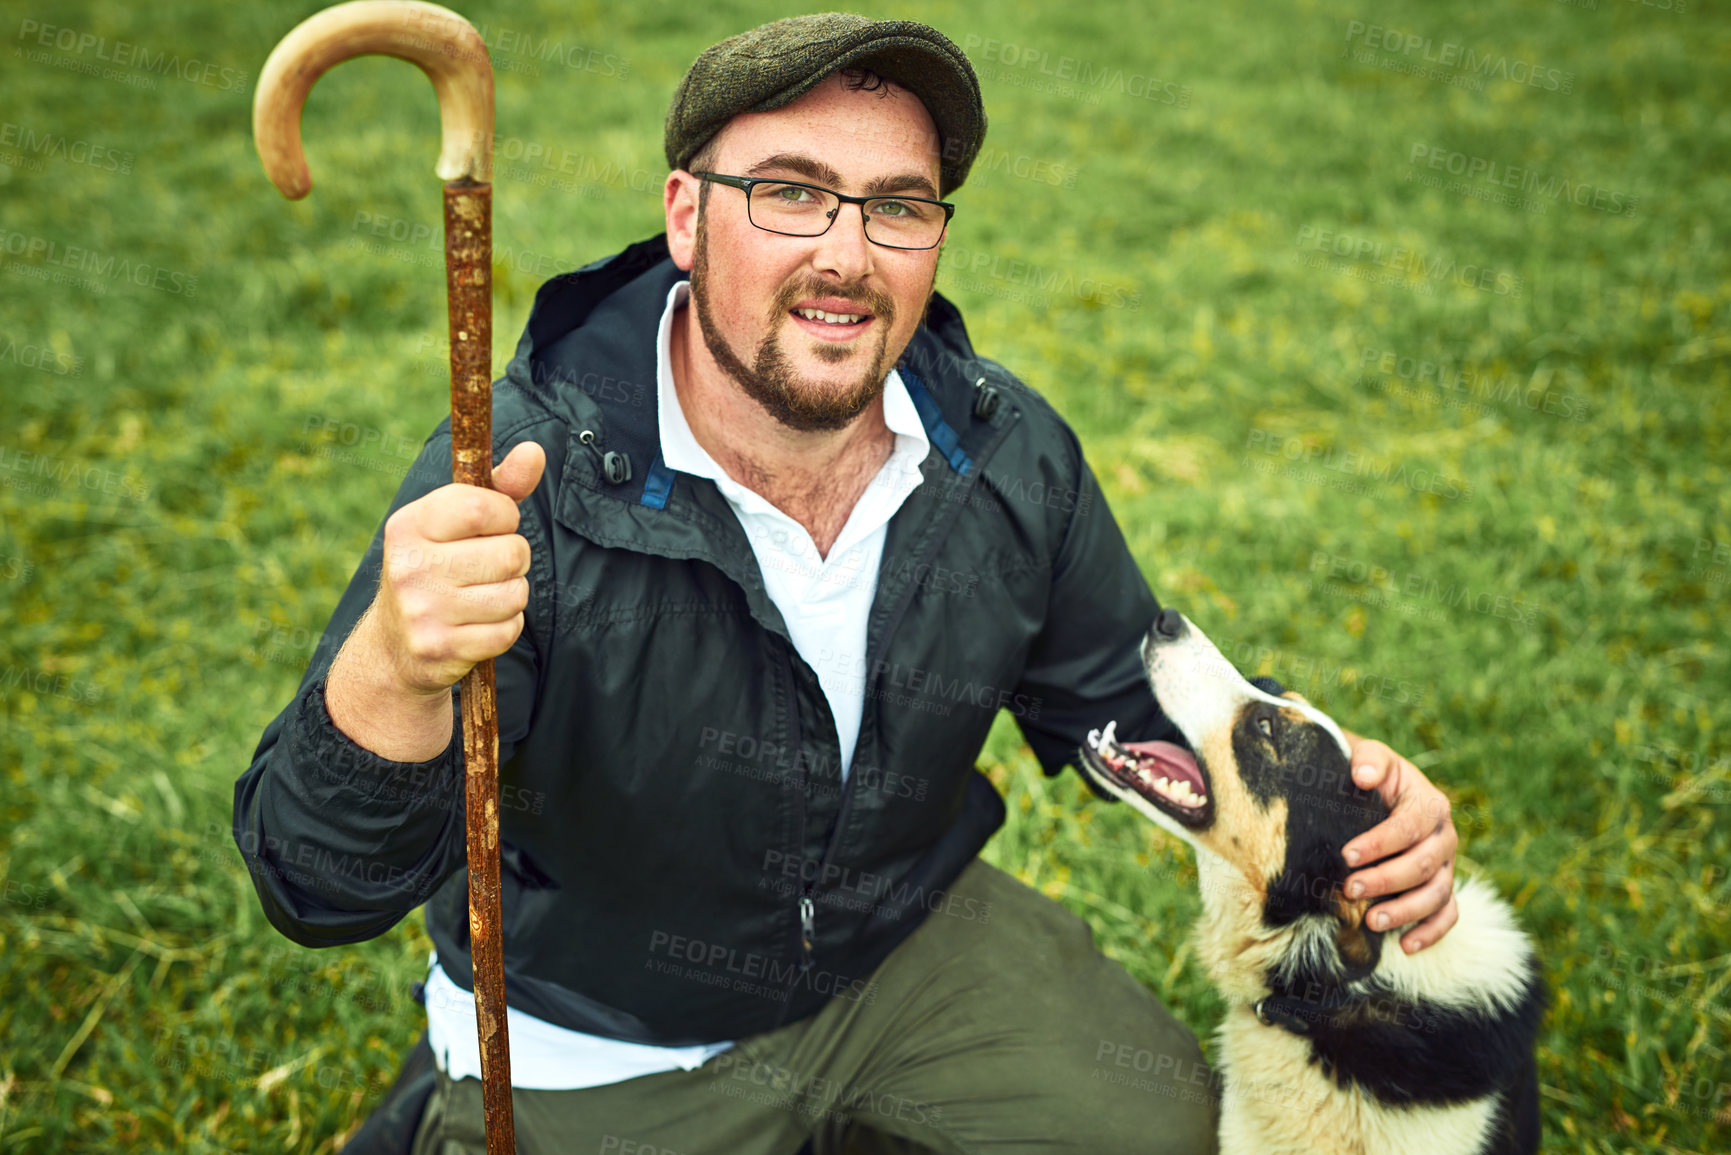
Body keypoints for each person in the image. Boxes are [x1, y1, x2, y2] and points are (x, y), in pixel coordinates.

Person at [233, 14, 1462, 1154]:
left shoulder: (1000, 450)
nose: (846, 255)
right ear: (684, 216)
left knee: (1164, 1136)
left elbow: (1125, 704)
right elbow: (316, 884)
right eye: (790, 194)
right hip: (604, 1041)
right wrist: (394, 665)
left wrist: (1347, 799)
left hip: (899, 940)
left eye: (898, 207)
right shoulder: (518, 479)